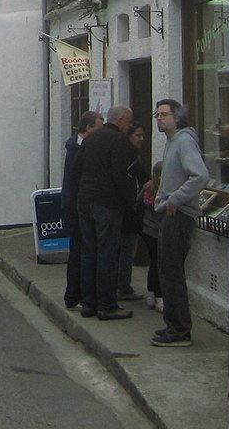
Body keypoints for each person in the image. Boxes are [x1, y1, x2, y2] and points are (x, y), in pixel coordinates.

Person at [151, 99, 208, 348]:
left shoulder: (184, 141)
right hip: (169, 213)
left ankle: (180, 330)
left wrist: (175, 199)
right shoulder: (173, 141)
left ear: (177, 117)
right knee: (168, 271)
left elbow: (200, 175)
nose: (159, 119)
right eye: (157, 115)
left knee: (172, 272)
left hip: (178, 216)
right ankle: (173, 324)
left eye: (163, 114)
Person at [72, 105, 138, 321]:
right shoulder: (118, 140)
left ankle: (89, 303)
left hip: (85, 200)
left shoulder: (91, 138)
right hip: (106, 203)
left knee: (89, 252)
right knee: (107, 253)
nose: (129, 126)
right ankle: (107, 305)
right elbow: (120, 174)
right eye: (129, 122)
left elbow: (76, 169)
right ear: (120, 121)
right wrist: (129, 201)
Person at [61, 110, 103, 310]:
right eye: (98, 128)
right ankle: (74, 296)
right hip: (76, 205)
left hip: (76, 203)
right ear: (88, 128)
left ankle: (77, 294)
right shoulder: (78, 149)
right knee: (79, 250)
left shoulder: (76, 145)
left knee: (80, 250)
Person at [119, 124, 151, 302]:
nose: (141, 139)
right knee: (126, 251)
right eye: (138, 135)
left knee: (126, 251)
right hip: (128, 212)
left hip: (130, 212)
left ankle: (123, 286)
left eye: (143, 136)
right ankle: (122, 287)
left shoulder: (131, 157)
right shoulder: (128, 160)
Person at [141, 161, 164, 313]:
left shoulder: (147, 187)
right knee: (159, 264)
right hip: (159, 232)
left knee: (153, 262)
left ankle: (151, 294)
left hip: (147, 230)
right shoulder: (164, 191)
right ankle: (160, 297)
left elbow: (138, 203)